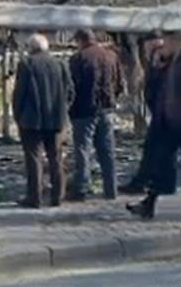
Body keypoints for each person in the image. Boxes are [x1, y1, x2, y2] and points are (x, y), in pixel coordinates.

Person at [127, 41, 181, 220]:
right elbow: (162, 90)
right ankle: (148, 204)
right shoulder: (171, 62)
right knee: (161, 161)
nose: (163, 45)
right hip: (168, 120)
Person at [12, 33, 73, 209]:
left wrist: (18, 115)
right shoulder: (60, 64)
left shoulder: (26, 64)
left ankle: (34, 197)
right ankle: (58, 196)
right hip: (56, 119)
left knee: (33, 159)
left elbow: (20, 94)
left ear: (31, 47)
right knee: (56, 158)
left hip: (31, 120)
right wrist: (63, 109)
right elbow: (70, 91)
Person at [67, 29, 124, 201]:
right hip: (106, 109)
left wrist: (70, 107)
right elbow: (120, 84)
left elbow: (71, 87)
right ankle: (111, 189)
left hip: (83, 111)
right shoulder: (111, 57)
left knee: (83, 150)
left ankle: (82, 189)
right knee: (107, 150)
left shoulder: (78, 59)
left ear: (80, 41)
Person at [121, 32, 168, 195]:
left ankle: (144, 186)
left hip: (168, 116)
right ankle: (142, 186)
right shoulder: (153, 61)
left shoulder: (164, 60)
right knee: (152, 151)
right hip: (160, 115)